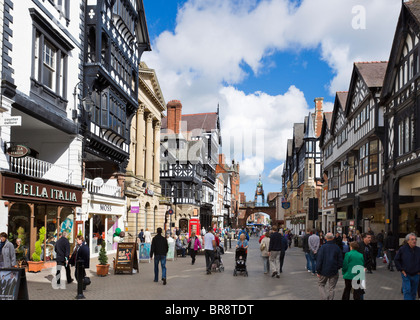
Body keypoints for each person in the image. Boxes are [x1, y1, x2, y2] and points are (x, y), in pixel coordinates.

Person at [316, 233, 343, 300]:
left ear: (326, 238)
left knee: (321, 284)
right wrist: (338, 267)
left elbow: (319, 260)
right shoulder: (337, 247)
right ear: (333, 238)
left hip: (323, 270)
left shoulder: (322, 247)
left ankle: (324, 298)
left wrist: (318, 271)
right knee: (332, 287)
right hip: (334, 270)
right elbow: (340, 260)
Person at [394, 233, 420, 300]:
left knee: (413, 292)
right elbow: (396, 259)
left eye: (415, 239)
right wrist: (401, 269)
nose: (414, 241)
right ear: (408, 241)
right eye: (412, 239)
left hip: (416, 275)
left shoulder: (418, 250)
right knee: (407, 291)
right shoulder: (402, 249)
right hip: (406, 274)